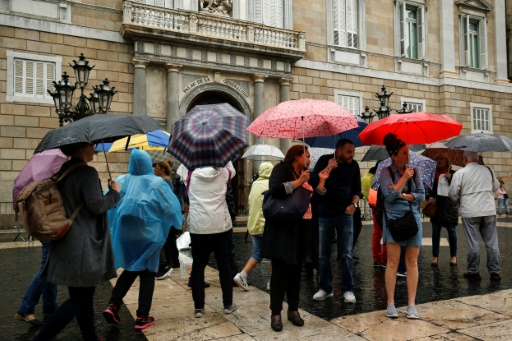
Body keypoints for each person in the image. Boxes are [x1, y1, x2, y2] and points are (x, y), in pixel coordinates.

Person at [34, 142, 121, 341]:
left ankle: (90, 337)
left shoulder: (64, 171)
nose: (95, 149)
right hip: (83, 245)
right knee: (79, 299)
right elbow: (97, 206)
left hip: (68, 242)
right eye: (92, 146)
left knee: (83, 296)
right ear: (83, 148)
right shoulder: (87, 173)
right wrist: (114, 193)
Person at [103, 149, 182, 330]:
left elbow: (109, 203)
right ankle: (142, 316)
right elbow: (170, 208)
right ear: (148, 163)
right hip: (149, 235)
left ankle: (113, 304)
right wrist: (176, 222)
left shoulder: (121, 180)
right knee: (147, 273)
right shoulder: (156, 183)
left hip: (126, 235)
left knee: (131, 267)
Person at [262, 145, 329, 332]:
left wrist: (321, 182)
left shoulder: (307, 173)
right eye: (306, 156)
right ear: (297, 156)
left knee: (296, 270)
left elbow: (314, 201)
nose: (309, 159)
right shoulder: (281, 169)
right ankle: (276, 312)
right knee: (280, 272)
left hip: (304, 228)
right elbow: (275, 190)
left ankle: (293, 309)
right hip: (284, 228)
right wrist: (299, 182)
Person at [379, 133, 425, 320]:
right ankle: (391, 303)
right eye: (405, 153)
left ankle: (411, 304)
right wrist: (404, 179)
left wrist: (404, 195)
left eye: (409, 152)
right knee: (393, 262)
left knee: (412, 262)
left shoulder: (415, 171)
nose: (409, 156)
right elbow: (388, 197)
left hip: (412, 219)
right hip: (393, 220)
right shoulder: (385, 172)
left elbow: (421, 194)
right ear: (394, 155)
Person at [311, 139, 361, 304]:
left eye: (353, 152)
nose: (352, 155)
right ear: (339, 151)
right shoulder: (324, 160)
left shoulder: (354, 166)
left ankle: (348, 289)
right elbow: (314, 184)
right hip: (325, 213)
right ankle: (325, 288)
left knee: (346, 253)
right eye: (349, 152)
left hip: (345, 214)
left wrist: (354, 205)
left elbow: (357, 190)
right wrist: (329, 168)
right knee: (323, 253)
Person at [185, 161, 237, 318]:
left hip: (198, 226)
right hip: (220, 225)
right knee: (224, 265)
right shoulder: (224, 172)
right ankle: (228, 304)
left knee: (198, 266)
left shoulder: (191, 173)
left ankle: (199, 307)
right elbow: (232, 172)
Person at [449, 151, 501, 281]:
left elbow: (452, 193)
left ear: (465, 159)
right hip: (488, 210)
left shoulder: (460, 173)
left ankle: (473, 271)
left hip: (470, 211)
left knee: (473, 243)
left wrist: (458, 201)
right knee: (492, 243)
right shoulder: (488, 170)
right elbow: (496, 186)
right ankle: (494, 271)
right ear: (477, 159)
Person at [234, 162, 274, 290]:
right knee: (274, 254)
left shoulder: (255, 184)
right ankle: (272, 282)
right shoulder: (271, 185)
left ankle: (242, 275)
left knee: (257, 252)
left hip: (253, 224)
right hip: (264, 225)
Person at [15, 240, 58, 326]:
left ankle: (49, 308)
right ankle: (25, 310)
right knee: (46, 268)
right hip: (51, 230)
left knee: (51, 268)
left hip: (49, 230)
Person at [427, 154, 458, 267]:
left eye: (441, 159)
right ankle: (435, 256)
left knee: (452, 232)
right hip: (437, 207)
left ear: (447, 160)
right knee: (435, 231)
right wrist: (429, 197)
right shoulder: (433, 174)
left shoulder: (454, 174)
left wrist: (451, 180)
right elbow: (429, 189)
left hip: (449, 207)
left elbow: (458, 190)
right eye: (437, 159)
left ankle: (453, 256)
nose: (439, 161)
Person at [154, 160, 182, 280]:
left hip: (166, 215)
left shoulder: (165, 182)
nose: (154, 169)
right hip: (168, 215)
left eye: (156, 167)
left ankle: (171, 262)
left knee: (168, 239)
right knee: (170, 239)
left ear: (162, 170)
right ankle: (175, 262)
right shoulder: (168, 180)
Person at [362, 160, 387, 267]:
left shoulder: (371, 176)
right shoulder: (381, 177)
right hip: (384, 208)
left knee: (377, 233)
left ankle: (377, 258)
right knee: (386, 233)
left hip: (375, 207)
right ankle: (384, 258)